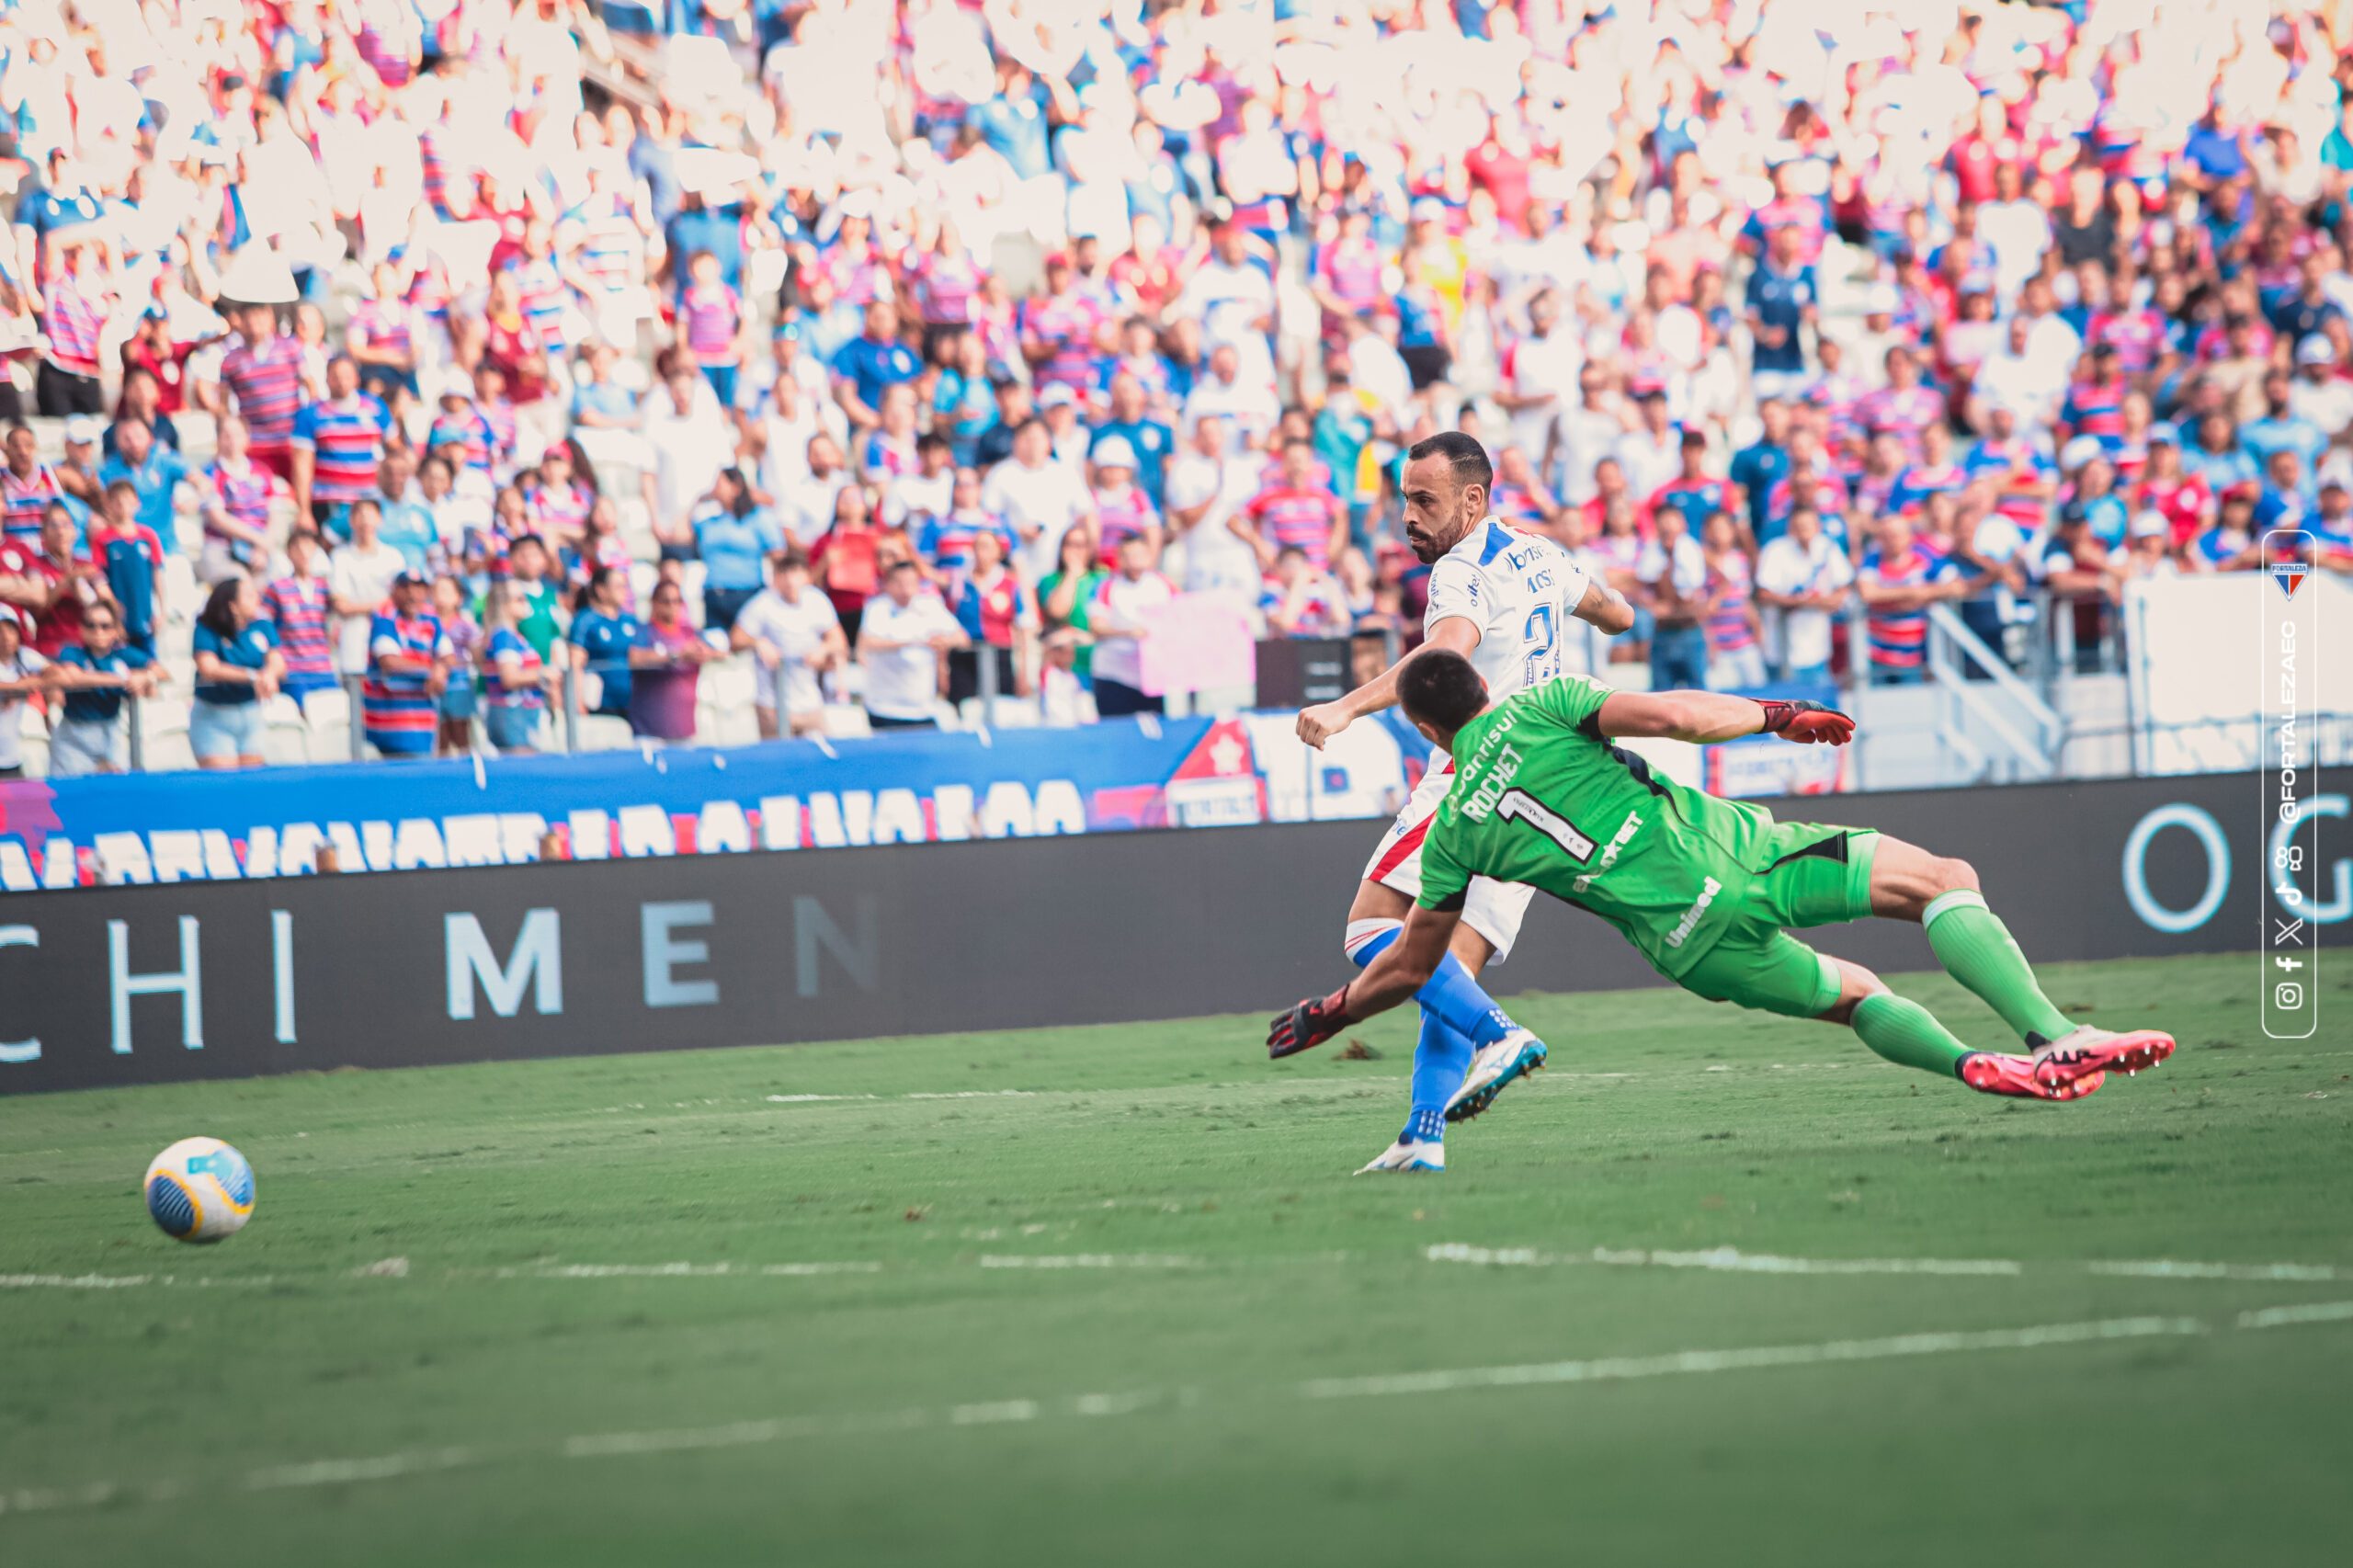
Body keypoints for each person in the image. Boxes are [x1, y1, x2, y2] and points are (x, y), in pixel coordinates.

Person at [1268, 650, 2177, 1173]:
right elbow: (1673, 717)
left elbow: (1416, 964)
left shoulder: (1455, 830)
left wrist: (1330, 1011)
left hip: (1687, 946)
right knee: (1941, 877)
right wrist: (1776, 714)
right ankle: (2048, 1032)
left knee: (1856, 994)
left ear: (1429, 731)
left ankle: (1970, 1063)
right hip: (1740, 856)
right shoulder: (1543, 700)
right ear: (1478, 686)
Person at [1281, 431, 1636, 1171]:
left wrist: (1346, 708)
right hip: (1547, 786)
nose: (1408, 516)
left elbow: (1444, 655)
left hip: (1479, 773)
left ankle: (1499, 1036)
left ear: (1472, 500)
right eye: (1404, 500)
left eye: (1425, 501)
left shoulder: (1460, 570)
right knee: (1450, 973)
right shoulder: (1541, 554)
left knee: (1371, 929)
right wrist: (1600, 606)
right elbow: (1618, 614)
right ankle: (1422, 1136)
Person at [733, 549, 846, 738]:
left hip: (810, 700)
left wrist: (823, 649)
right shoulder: (762, 605)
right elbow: (735, 640)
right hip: (773, 703)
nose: (789, 580)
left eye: (795, 573)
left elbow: (839, 641)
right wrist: (758, 642)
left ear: (805, 576)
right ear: (775, 578)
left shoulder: (816, 601)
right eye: (784, 573)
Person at [48, 598, 160, 776]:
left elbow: (162, 671)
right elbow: (73, 677)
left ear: (115, 630)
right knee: (72, 796)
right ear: (82, 629)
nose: (98, 631)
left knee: (114, 793)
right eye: (91, 625)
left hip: (109, 732)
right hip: (74, 736)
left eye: (105, 626)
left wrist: (146, 676)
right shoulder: (72, 652)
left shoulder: (124, 654)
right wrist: (123, 679)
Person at [858, 557, 967, 729]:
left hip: (923, 709)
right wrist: (915, 642)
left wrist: (941, 641)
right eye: (900, 583)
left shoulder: (931, 606)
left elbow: (962, 638)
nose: (906, 590)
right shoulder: (877, 608)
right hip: (885, 709)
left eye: (911, 583)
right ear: (888, 584)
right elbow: (868, 643)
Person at [189, 575, 285, 771]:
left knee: (251, 786)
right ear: (233, 605)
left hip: (251, 716)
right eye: (249, 596)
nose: (256, 599)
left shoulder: (262, 626)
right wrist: (253, 676)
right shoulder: (207, 629)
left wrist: (269, 674)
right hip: (214, 717)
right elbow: (209, 668)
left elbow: (278, 663)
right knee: (223, 785)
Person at [681, 468, 784, 632]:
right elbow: (680, 534)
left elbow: (778, 554)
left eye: (719, 484)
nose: (715, 489)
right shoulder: (710, 522)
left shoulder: (758, 518)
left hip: (747, 594)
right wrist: (698, 501)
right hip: (714, 594)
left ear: (736, 487)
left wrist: (777, 589)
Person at [361, 571, 450, 758]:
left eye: (418, 588)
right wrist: (432, 669)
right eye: (405, 588)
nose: (412, 594)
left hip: (422, 722)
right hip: (390, 722)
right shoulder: (385, 615)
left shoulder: (430, 616)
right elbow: (389, 661)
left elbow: (449, 656)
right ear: (395, 590)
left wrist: (441, 668)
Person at [946, 525, 1031, 706]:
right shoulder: (960, 580)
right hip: (966, 655)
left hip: (999, 655)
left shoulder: (1009, 583)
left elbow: (1023, 627)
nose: (980, 552)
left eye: (986, 547)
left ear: (998, 553)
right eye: (977, 546)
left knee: (1001, 708)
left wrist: (1024, 672)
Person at [629, 578, 720, 742]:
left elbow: (722, 652)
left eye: (677, 601)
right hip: (650, 731)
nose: (672, 606)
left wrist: (705, 652)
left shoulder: (689, 632)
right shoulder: (644, 631)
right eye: (666, 601)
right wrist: (676, 655)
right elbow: (635, 658)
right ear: (654, 603)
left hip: (684, 730)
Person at [479, 580, 556, 755]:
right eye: (520, 599)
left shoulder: (513, 636)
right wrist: (544, 674)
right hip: (513, 716)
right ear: (505, 604)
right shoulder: (504, 636)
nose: (526, 603)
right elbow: (509, 677)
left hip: (521, 716)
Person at [261, 530, 337, 700]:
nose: (303, 552)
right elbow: (264, 623)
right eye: (297, 548)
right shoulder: (277, 587)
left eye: (309, 547)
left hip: (322, 666)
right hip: (292, 668)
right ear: (288, 553)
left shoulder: (324, 587)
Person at [0, 606, 46, 778]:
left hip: (12, 760)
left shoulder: (25, 657)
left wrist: (32, 680)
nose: (6, 637)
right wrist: (21, 685)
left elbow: (59, 674)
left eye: (11, 630)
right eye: (0, 631)